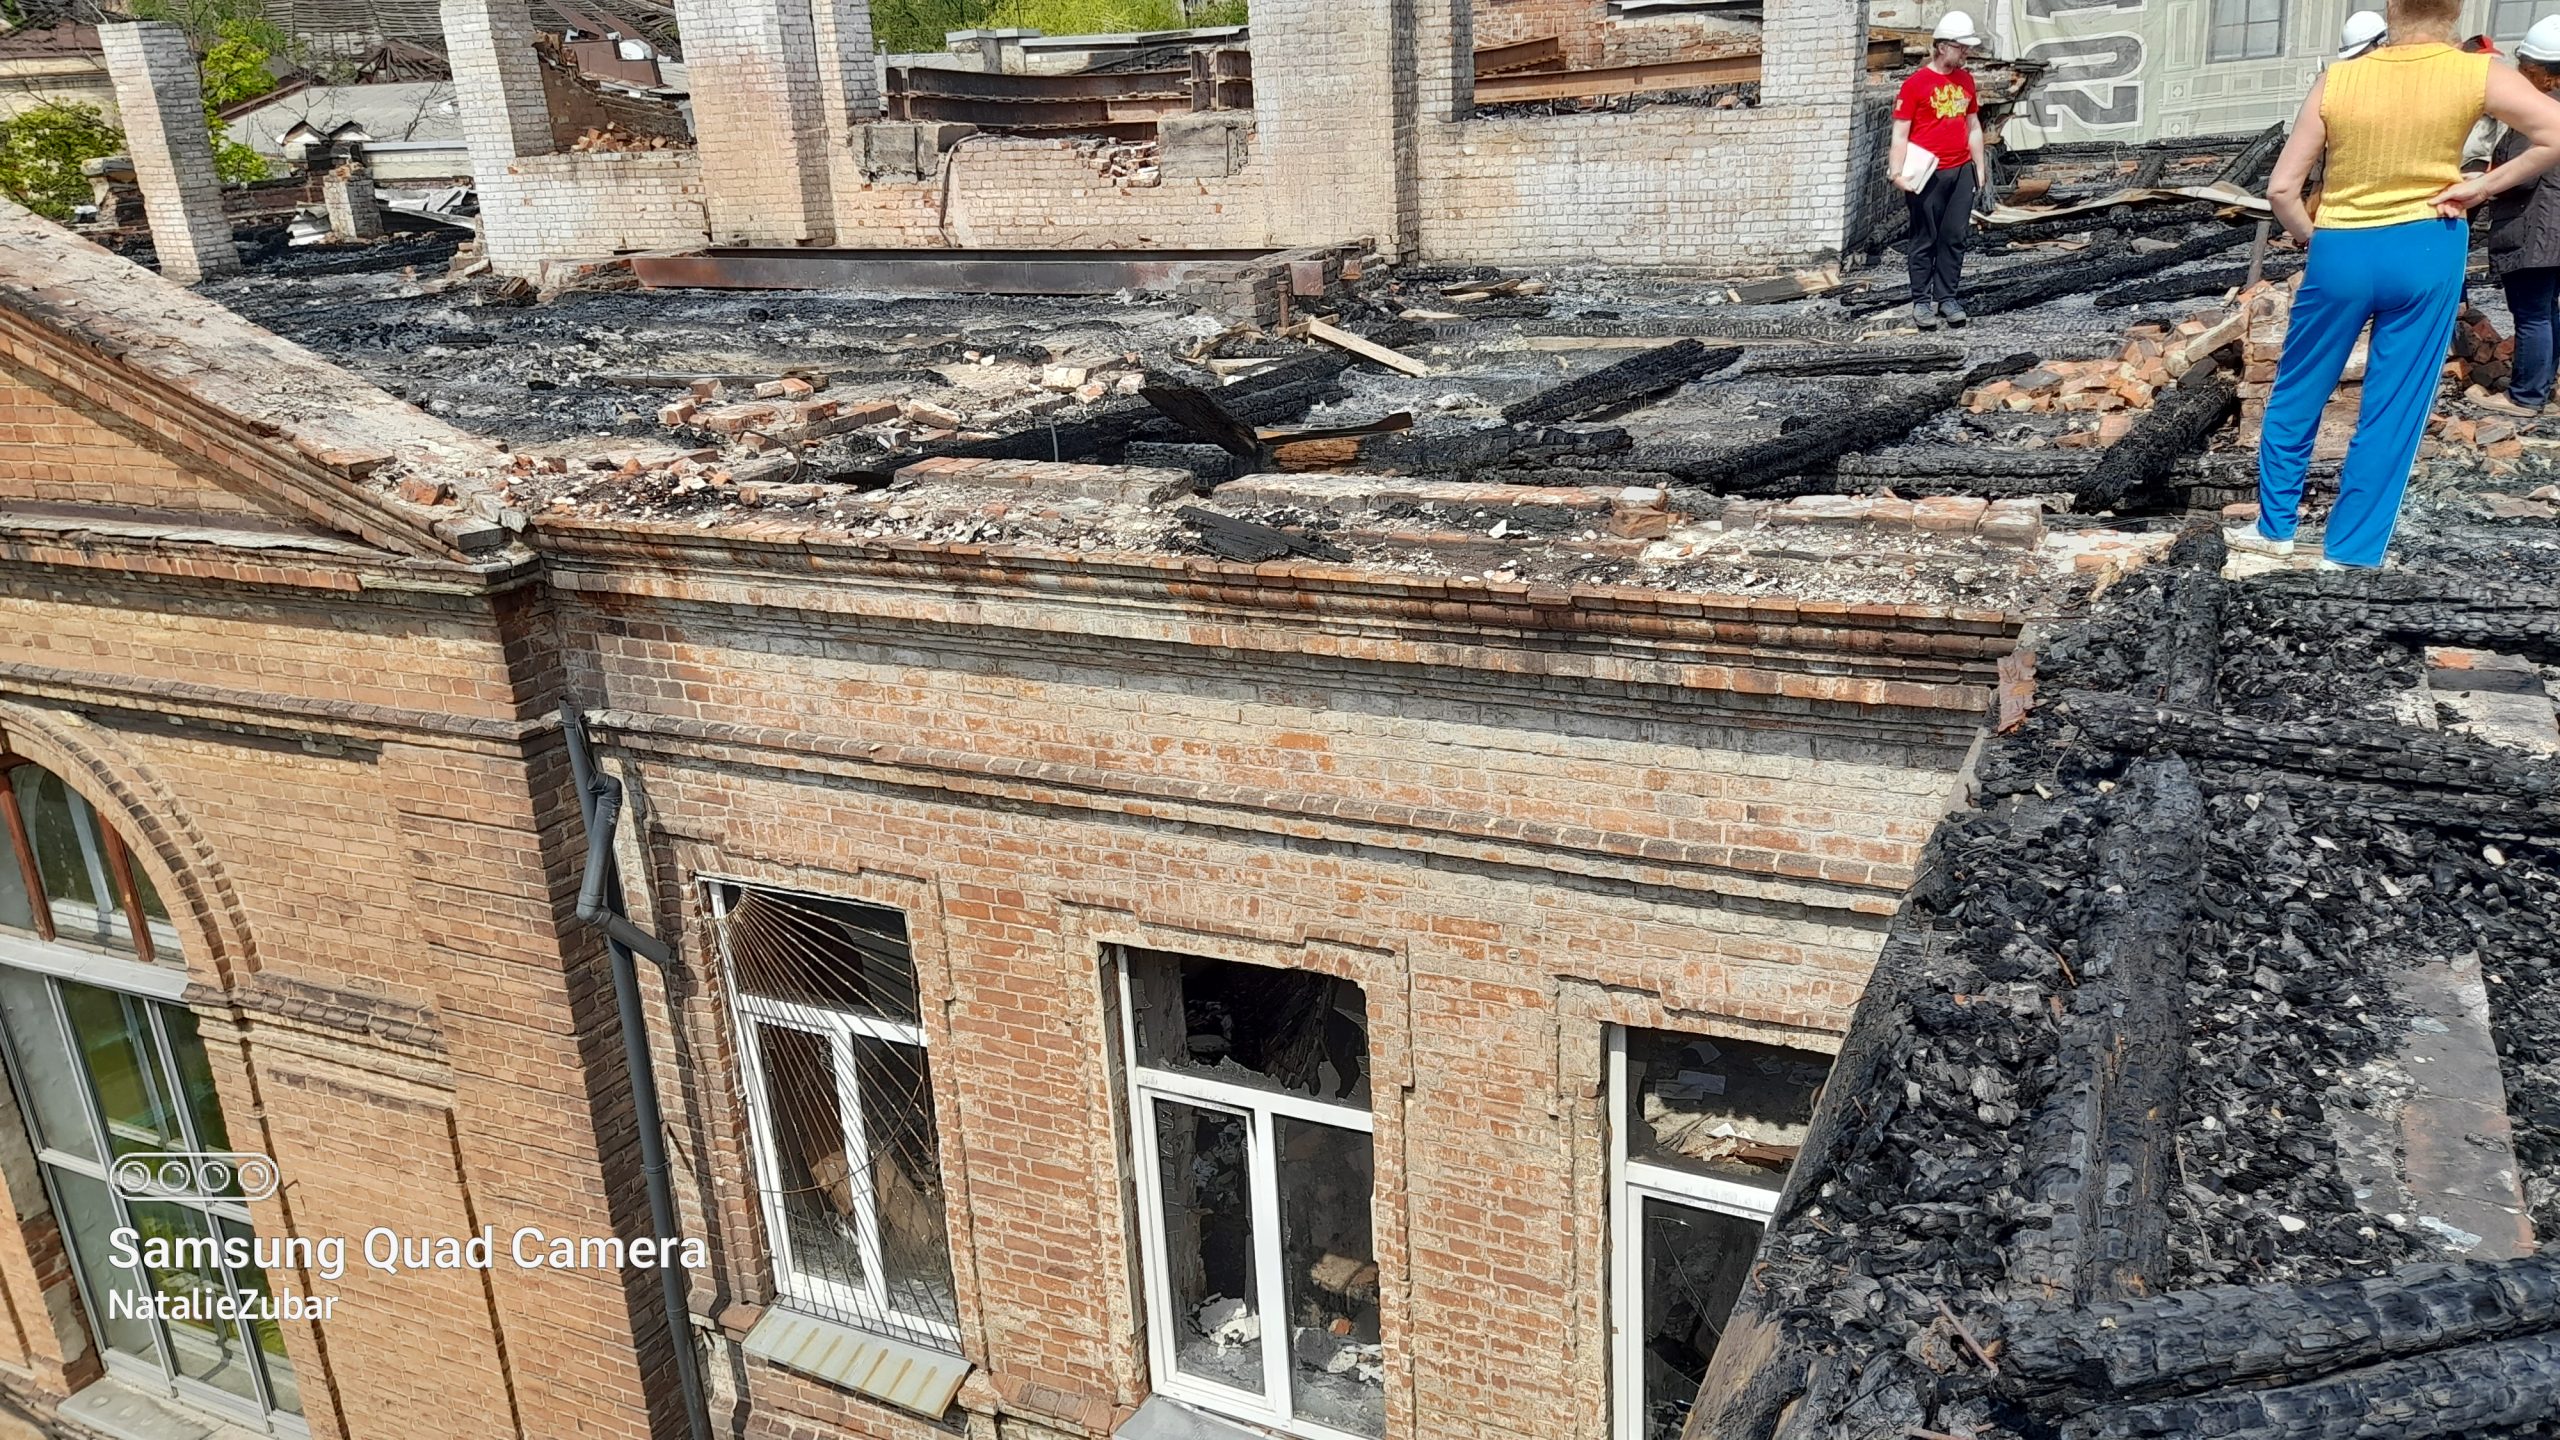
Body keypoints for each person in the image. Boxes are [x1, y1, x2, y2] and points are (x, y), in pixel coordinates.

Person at [2238, 0, 2560, 569]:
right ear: (2456, 11)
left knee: (2296, 391)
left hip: (2341, 245)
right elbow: (2553, 133)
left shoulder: (2339, 79)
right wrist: (2481, 188)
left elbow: (2283, 190)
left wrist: (2315, 240)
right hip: (2428, 242)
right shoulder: (2477, 70)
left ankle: (2275, 530)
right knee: (2394, 405)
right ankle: (2351, 550)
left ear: (2391, 11)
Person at [1890, 12, 1994, 332]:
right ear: (1942, 47)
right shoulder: (1915, 85)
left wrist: (1980, 164)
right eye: (1961, 48)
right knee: (1925, 239)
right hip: (1927, 173)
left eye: (1966, 48)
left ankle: (1947, 297)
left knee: (1954, 237)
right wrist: (1896, 173)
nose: (1966, 54)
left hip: (1960, 169)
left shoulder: (1965, 80)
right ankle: (1921, 301)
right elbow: (1900, 133)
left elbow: (1973, 125)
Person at [2481, 16, 2560, 415]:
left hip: (2536, 229)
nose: (2519, 75)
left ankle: (2526, 396)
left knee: (2531, 314)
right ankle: (2544, 389)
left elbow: (2520, 177)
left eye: (2527, 69)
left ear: (2547, 76)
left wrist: (2479, 183)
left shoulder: (2539, 113)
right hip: (2552, 230)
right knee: (2546, 311)